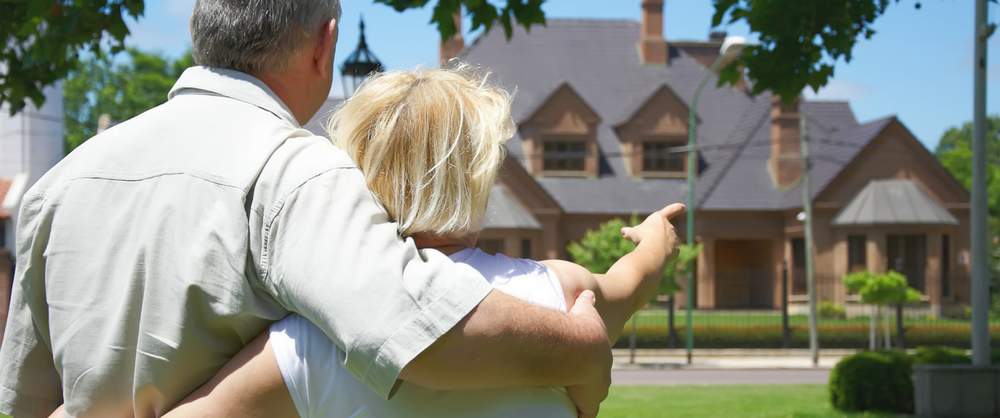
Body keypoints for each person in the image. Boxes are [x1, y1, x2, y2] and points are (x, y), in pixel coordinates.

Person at [0, 0, 618, 417]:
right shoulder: (293, 169)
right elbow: (417, 331)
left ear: (196, 29)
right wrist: (584, 343)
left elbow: (27, 399)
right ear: (325, 43)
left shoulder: (59, 182)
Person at [159, 66, 684, 418]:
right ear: (482, 175)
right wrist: (654, 236)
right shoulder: (563, 296)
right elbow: (635, 279)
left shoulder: (311, 339)